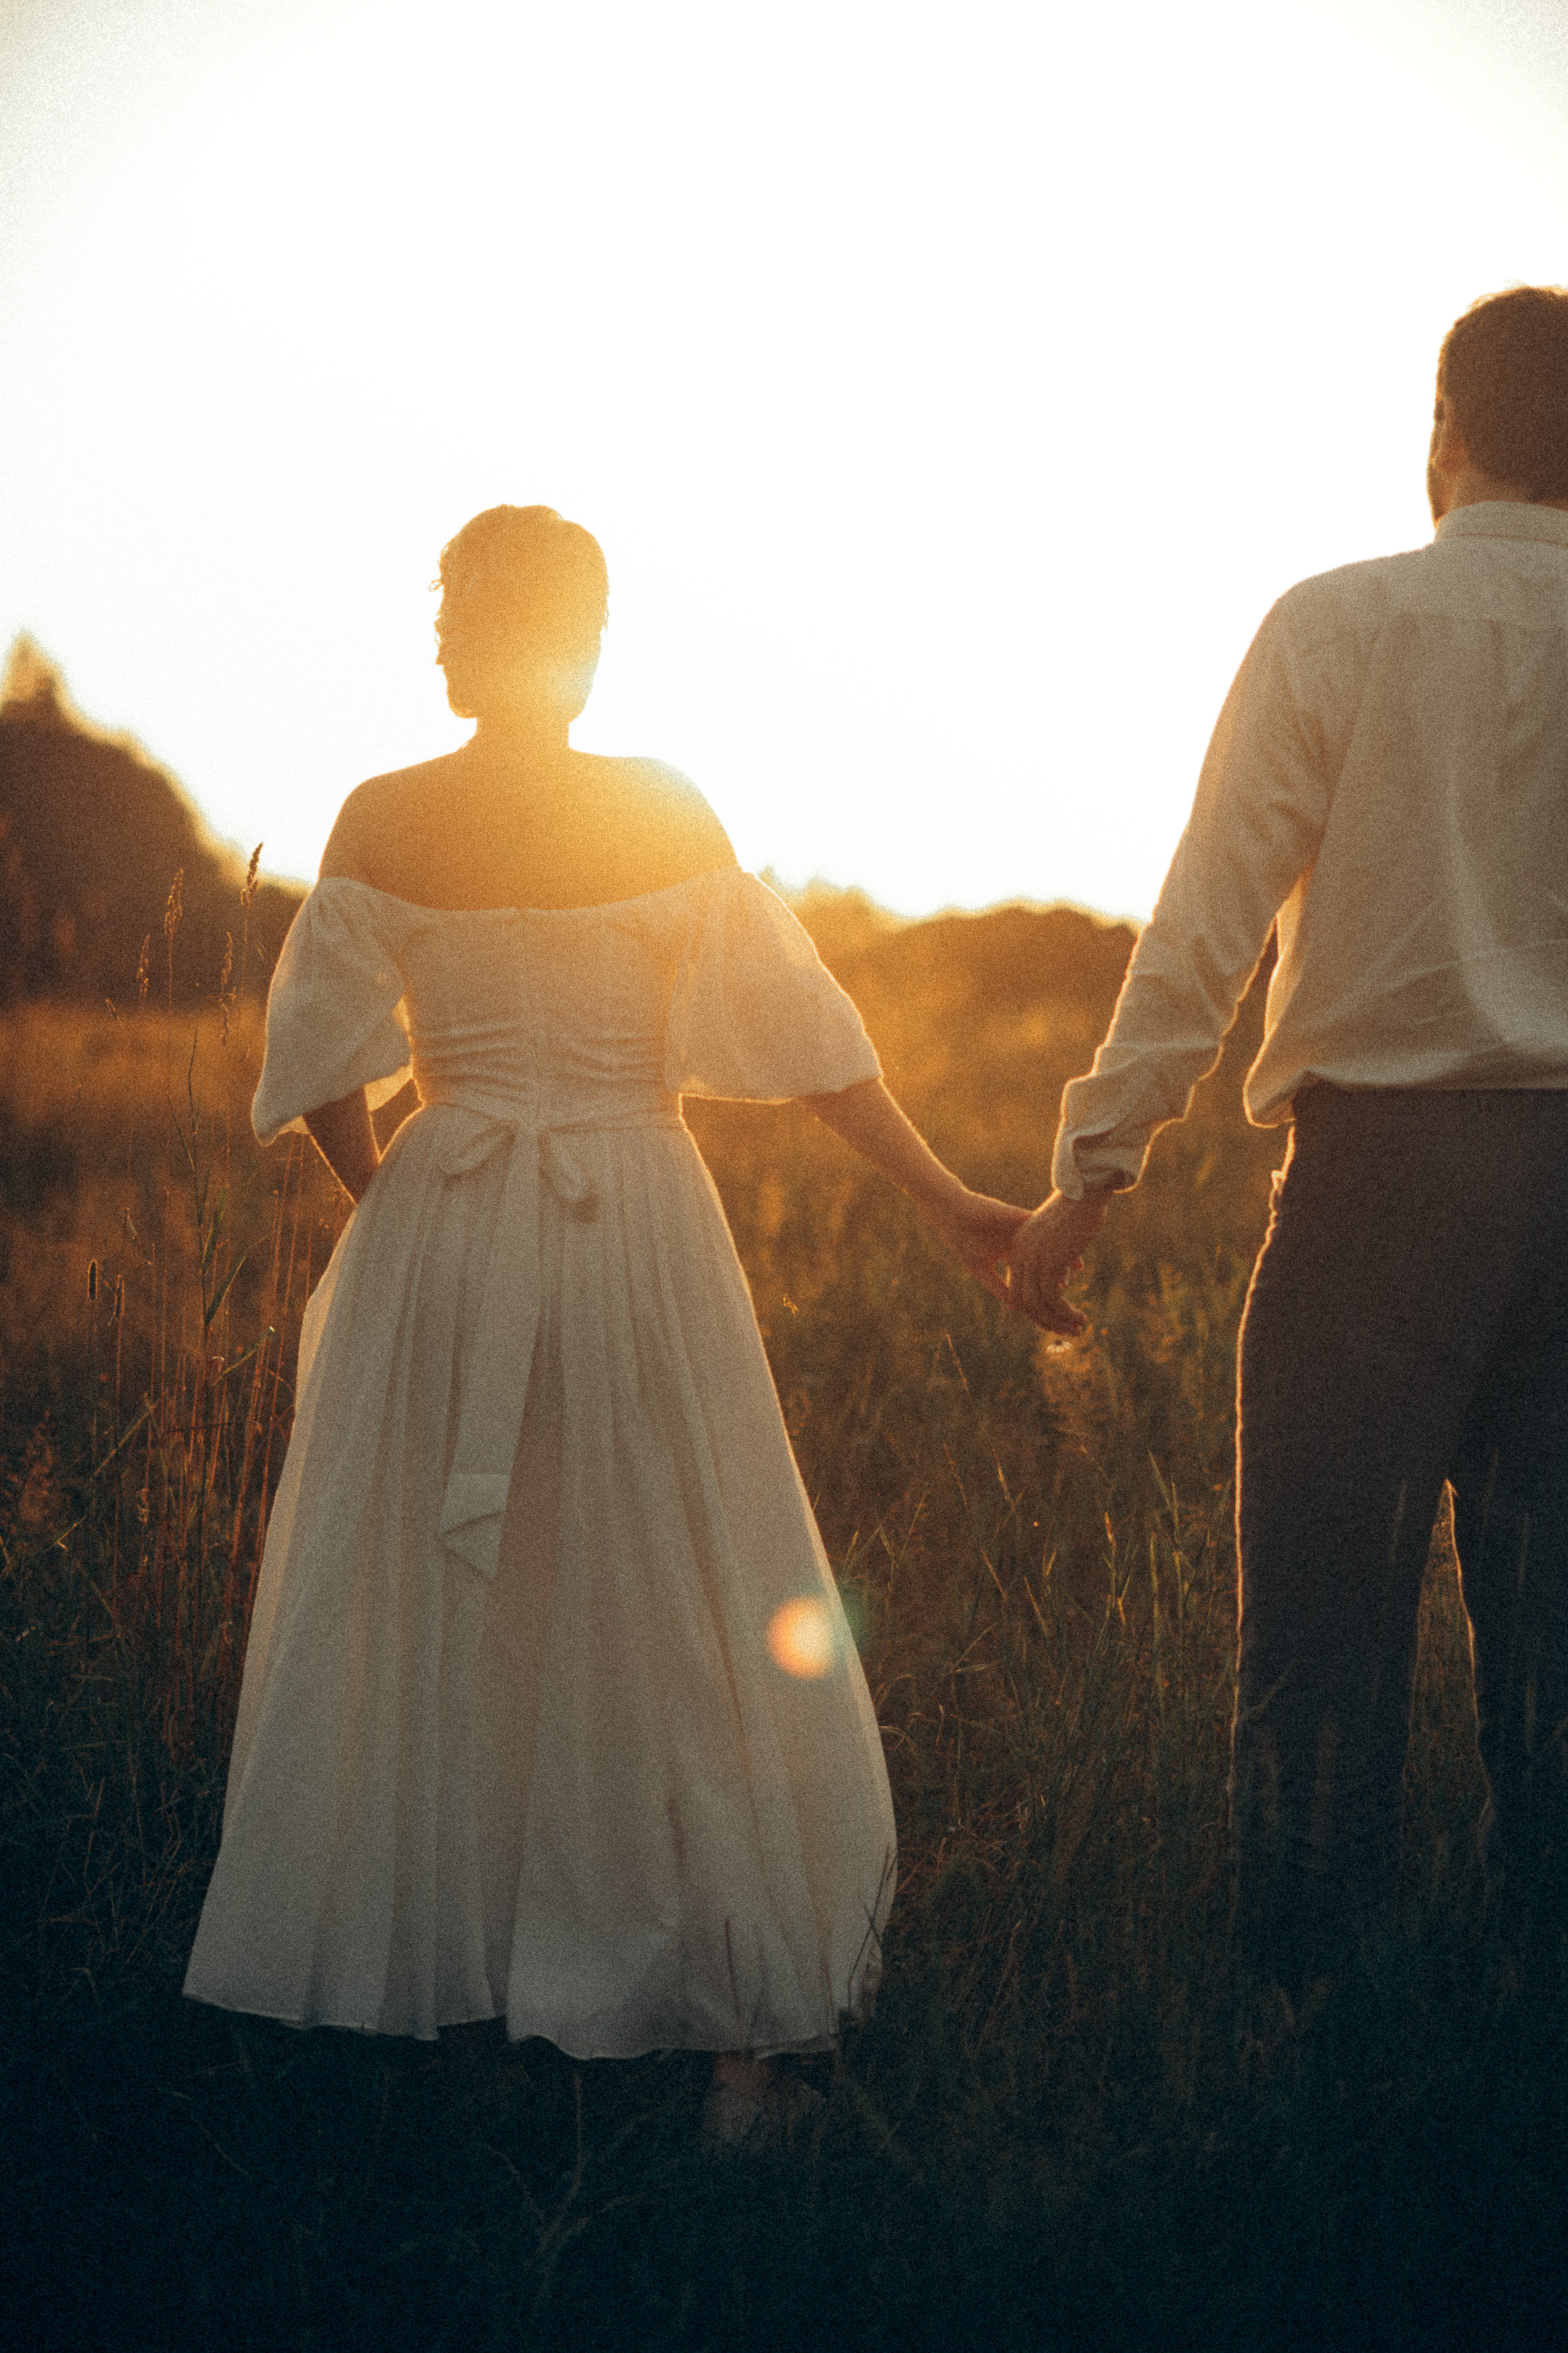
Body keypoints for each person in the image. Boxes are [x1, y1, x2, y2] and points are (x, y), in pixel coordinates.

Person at [183, 504, 1030, 2142]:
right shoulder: (661, 811)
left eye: (451, 605)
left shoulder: (381, 815)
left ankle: (454, 1983)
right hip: (638, 1216)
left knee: (441, 1593)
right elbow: (810, 1041)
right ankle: (704, 2010)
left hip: (450, 1218)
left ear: (520, 629)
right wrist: (945, 1199)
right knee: (673, 1587)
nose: (434, 633)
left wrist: (410, 1201)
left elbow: (321, 1067)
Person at [1007, 287, 1568, 1993]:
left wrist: (1093, 1163)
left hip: (1384, 1186)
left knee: (1323, 1631)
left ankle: (1307, 2011)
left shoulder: (1338, 624)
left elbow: (1209, 917)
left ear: (1445, 432)